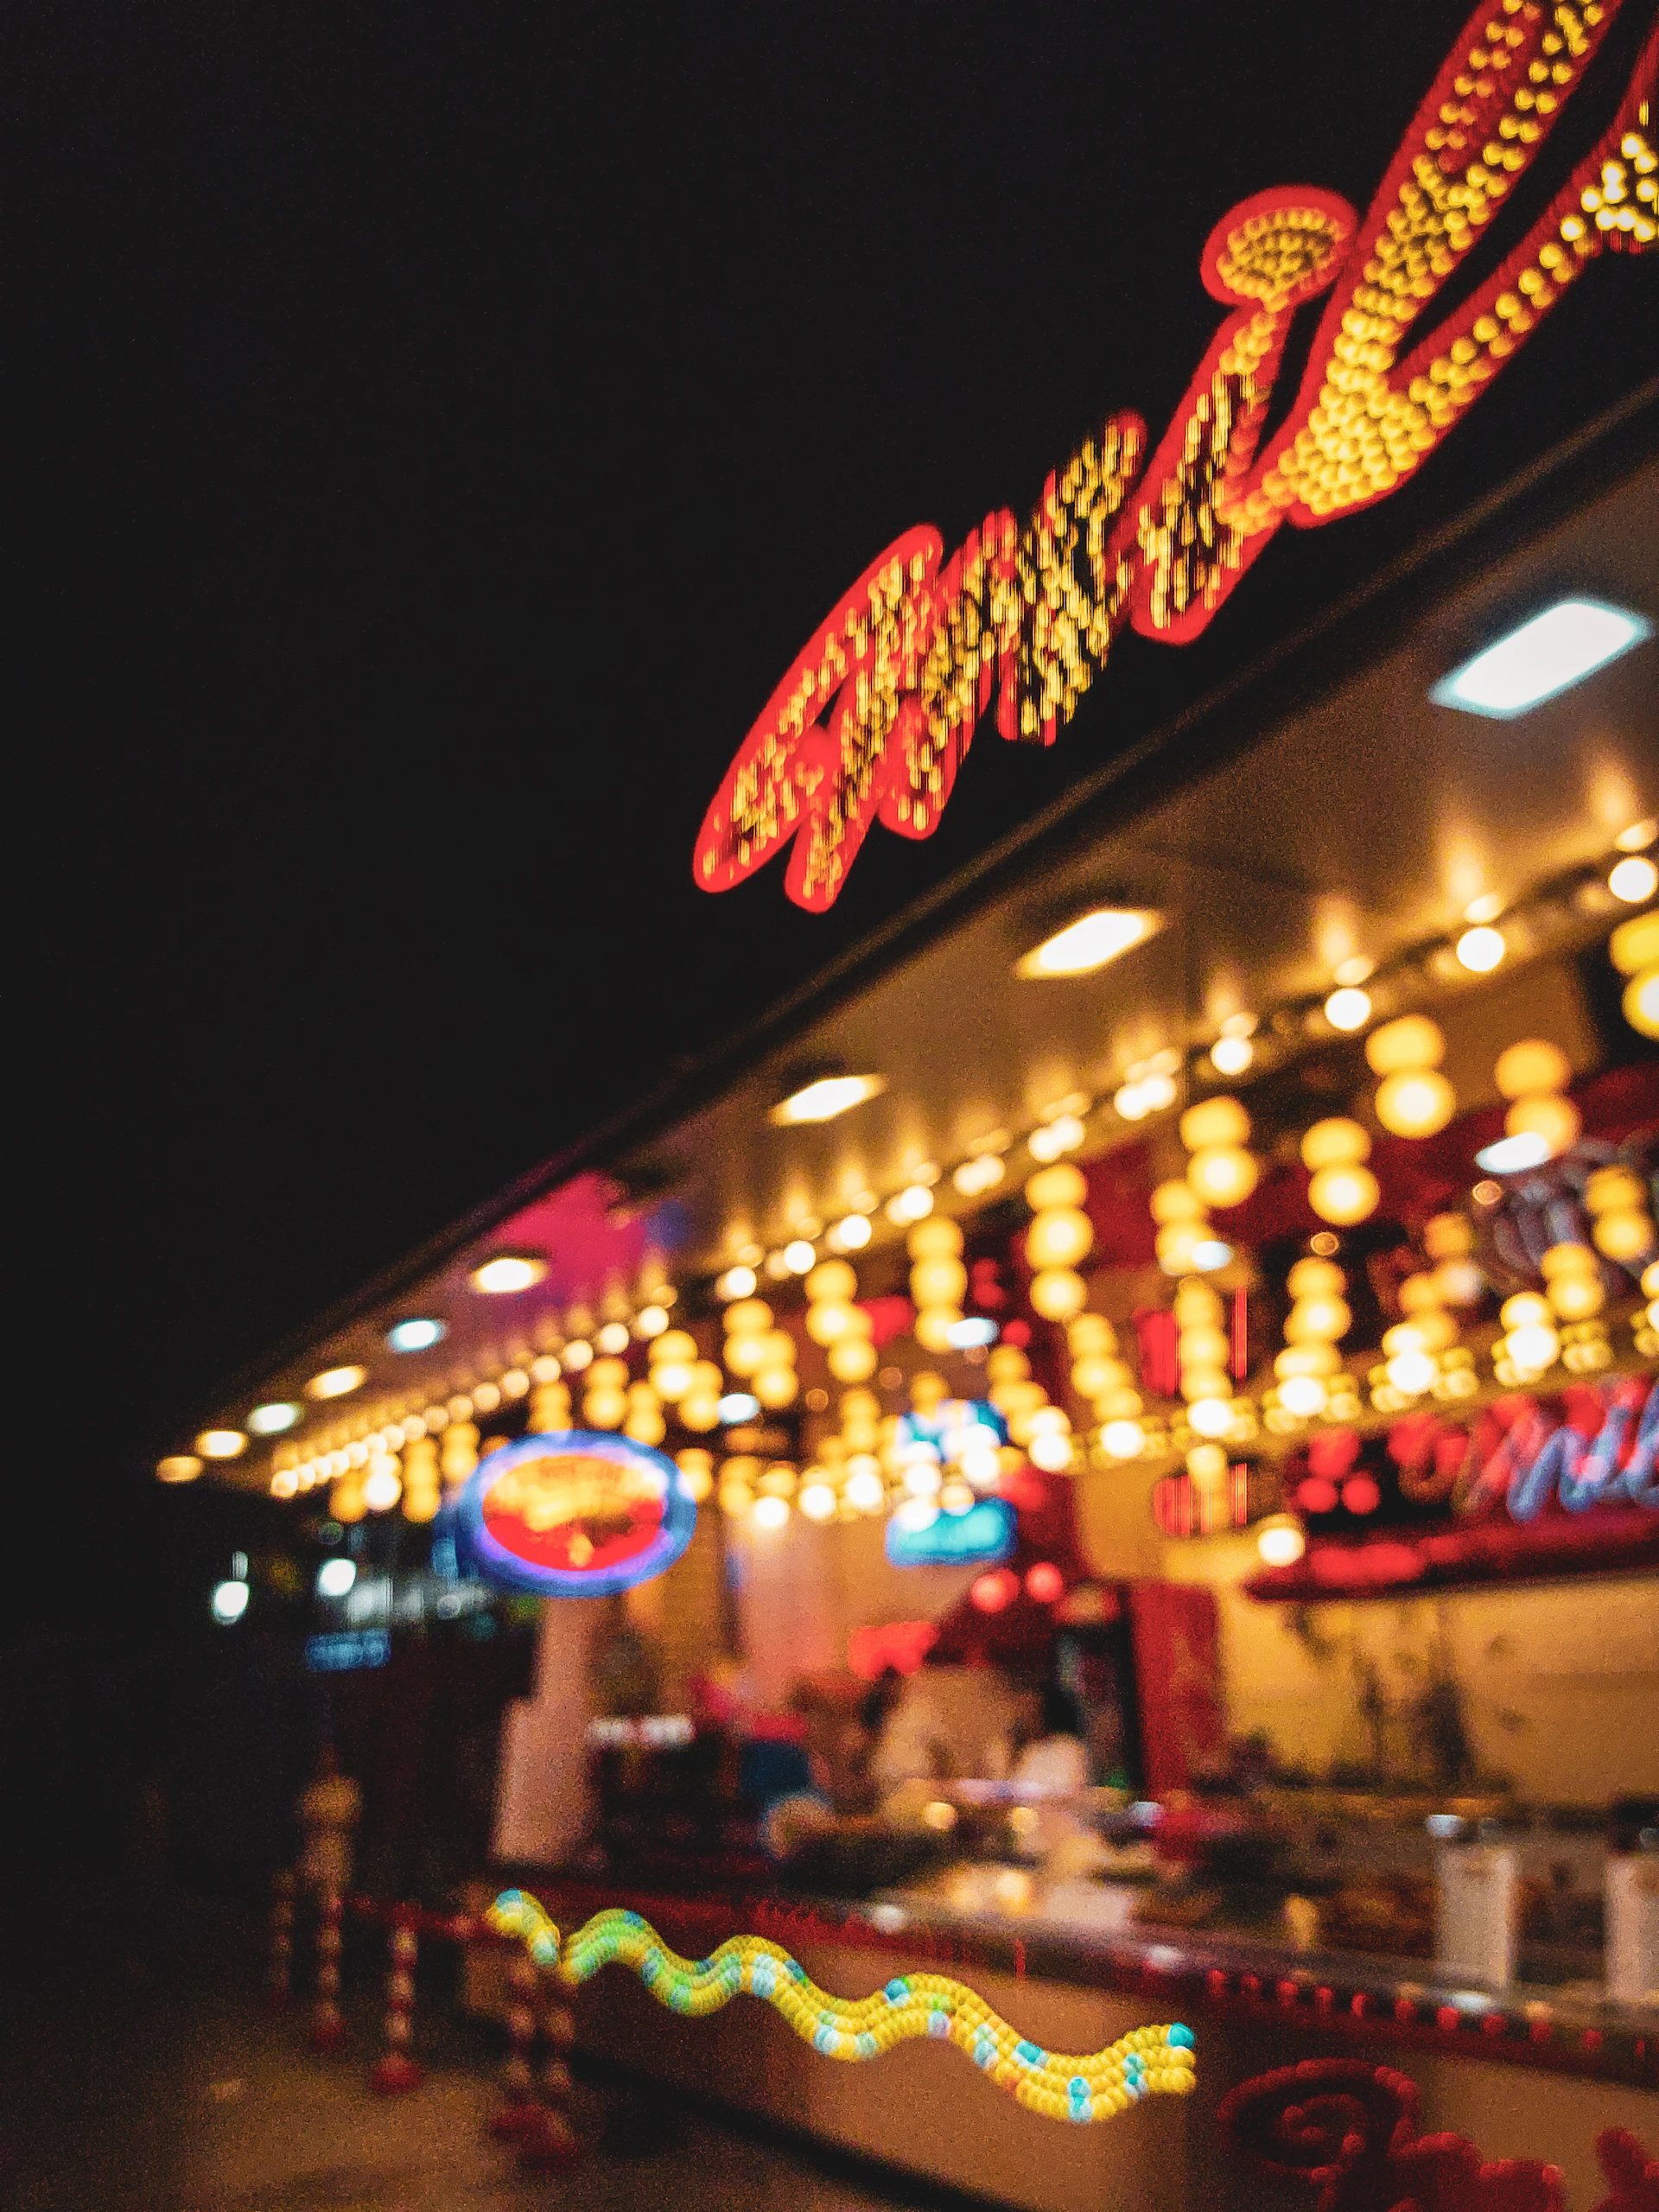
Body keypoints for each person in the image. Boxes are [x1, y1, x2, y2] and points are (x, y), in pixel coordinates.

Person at [298, 1743, 362, 1898]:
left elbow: (354, 1818)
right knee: (310, 1890)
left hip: (337, 1850)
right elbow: (303, 1818)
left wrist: (333, 1822)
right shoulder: (312, 1790)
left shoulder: (347, 1789)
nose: (326, 1761)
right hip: (315, 1849)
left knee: (332, 1896)